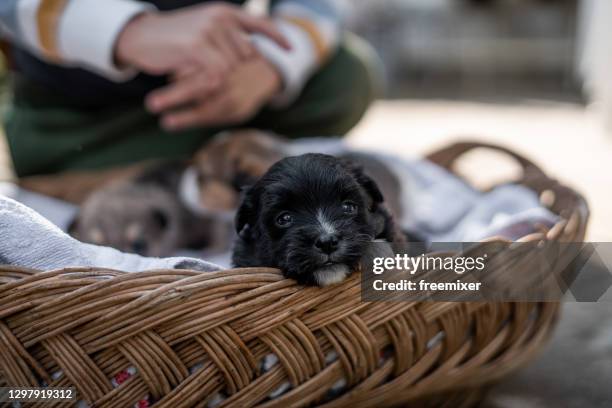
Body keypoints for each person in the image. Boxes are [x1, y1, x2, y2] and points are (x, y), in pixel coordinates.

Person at [0, 0, 378, 177]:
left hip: (226, 87)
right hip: (79, 118)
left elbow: (317, 8)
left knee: (346, 75)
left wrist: (271, 66)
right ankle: (220, 167)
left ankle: (195, 169)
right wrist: (127, 31)